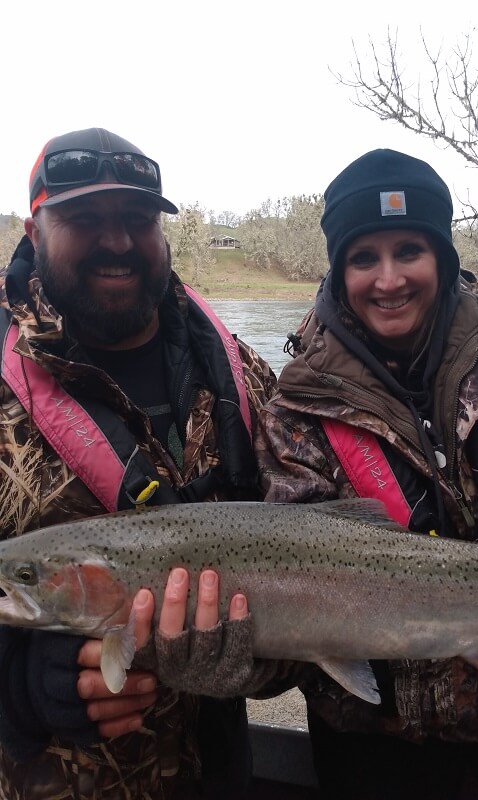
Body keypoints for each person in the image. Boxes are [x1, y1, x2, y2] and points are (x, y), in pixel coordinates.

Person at [251, 149, 478, 799]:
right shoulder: (295, 410)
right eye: (363, 258)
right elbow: (286, 600)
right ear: (338, 268)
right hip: (376, 745)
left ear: (441, 254)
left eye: (409, 249)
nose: (388, 279)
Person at [0, 127, 276, 799]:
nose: (118, 241)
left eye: (137, 219)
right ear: (34, 232)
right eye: (84, 219)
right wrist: (20, 689)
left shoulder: (246, 378)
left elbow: (323, 574)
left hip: (221, 771)